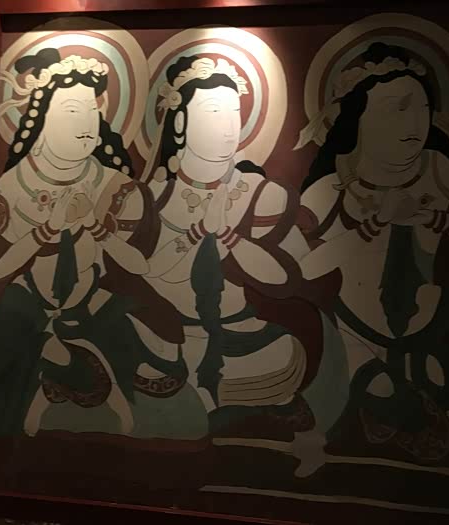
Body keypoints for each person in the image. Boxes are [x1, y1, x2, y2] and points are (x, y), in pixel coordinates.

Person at [0, 49, 207, 447]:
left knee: (162, 348)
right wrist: (48, 229)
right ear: (40, 117)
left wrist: (97, 229)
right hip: (27, 304)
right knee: (4, 340)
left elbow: (134, 269)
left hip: (97, 298)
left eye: (91, 112)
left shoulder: (118, 188)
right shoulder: (10, 190)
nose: (85, 125)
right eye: (71, 111)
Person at [141, 55, 349, 477]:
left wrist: (230, 238)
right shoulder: (155, 195)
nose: (227, 126)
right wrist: (197, 233)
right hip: (166, 335)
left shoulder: (260, 192)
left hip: (242, 334)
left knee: (277, 359)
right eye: (212, 112)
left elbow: (286, 278)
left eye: (234, 113)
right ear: (179, 123)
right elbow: (150, 273)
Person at [296, 42, 449, 460]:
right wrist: (375, 224)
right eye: (397, 109)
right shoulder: (331, 187)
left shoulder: (442, 172)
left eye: (422, 108)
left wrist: (434, 218)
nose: (414, 121)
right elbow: (307, 267)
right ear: (357, 118)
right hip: (354, 328)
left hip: (431, 323)